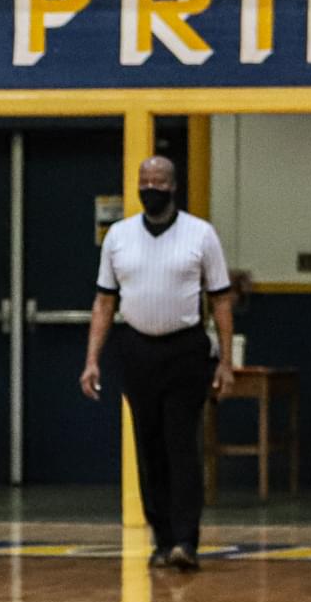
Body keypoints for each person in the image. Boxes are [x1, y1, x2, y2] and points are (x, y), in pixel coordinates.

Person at [80, 155, 235, 570]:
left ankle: (186, 539)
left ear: (173, 186)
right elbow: (104, 301)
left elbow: (220, 298)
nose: (151, 187)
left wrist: (226, 361)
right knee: (148, 446)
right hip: (136, 349)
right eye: (144, 180)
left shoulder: (200, 234)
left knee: (181, 444)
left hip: (185, 348)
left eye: (159, 180)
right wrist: (92, 359)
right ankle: (162, 538)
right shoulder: (118, 236)